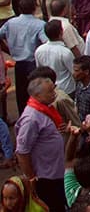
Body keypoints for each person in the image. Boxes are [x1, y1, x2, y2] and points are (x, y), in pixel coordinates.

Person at [16, 77, 67, 212]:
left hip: (56, 172)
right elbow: (22, 152)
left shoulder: (46, 109)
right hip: (45, 178)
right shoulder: (31, 119)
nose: (54, 93)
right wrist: (31, 178)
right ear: (38, 95)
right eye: (50, 91)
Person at [0, 0, 46, 115]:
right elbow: (46, 42)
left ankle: (24, 119)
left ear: (19, 9)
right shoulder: (40, 25)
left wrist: (8, 50)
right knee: (38, 95)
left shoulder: (11, 23)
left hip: (19, 65)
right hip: (33, 64)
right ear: (35, 8)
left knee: (22, 98)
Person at [36, 20, 76, 96]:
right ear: (61, 32)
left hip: (50, 90)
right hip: (67, 90)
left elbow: (39, 71)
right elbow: (74, 71)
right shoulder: (65, 52)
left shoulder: (39, 50)